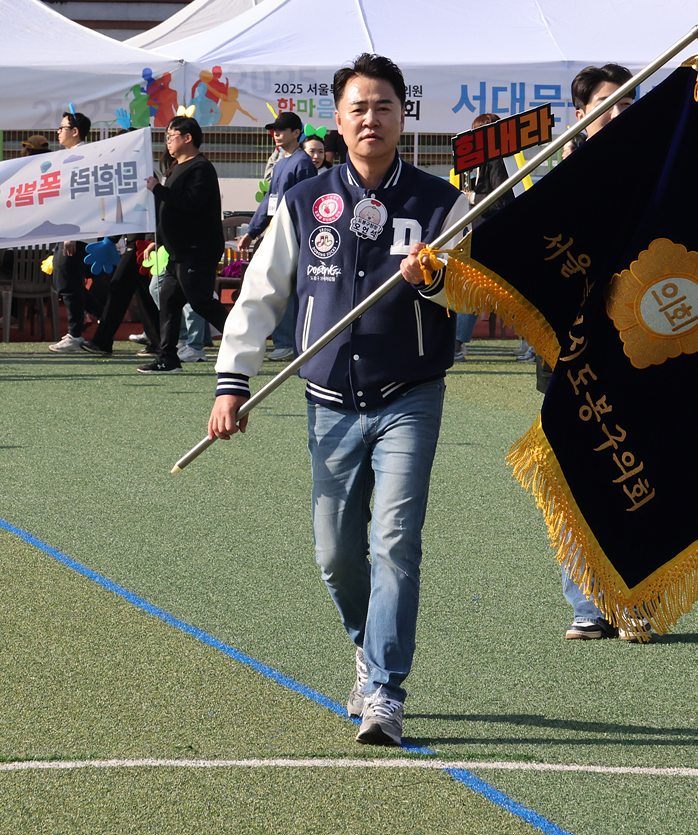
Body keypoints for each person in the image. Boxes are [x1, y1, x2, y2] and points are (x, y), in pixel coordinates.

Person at [208, 53, 467, 748]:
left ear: (403, 116)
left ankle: (384, 688)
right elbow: (262, 295)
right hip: (326, 400)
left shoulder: (442, 203)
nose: (371, 118)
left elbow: (474, 293)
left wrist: (436, 279)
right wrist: (233, 381)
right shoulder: (304, 199)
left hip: (410, 394)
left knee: (394, 541)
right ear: (340, 118)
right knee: (335, 554)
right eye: (358, 107)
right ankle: (365, 641)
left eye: (384, 106)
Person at [537, 65, 634, 640]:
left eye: (627, 102)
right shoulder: (554, 183)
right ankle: (587, 603)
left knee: (639, 475)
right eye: (606, 103)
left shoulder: (657, 179)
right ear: (582, 116)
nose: (618, 113)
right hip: (569, 356)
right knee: (574, 475)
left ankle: (637, 598)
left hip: (642, 350)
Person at [139, 116, 230, 374]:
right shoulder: (177, 167)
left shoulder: (200, 168)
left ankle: (243, 340)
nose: (167, 141)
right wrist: (157, 242)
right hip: (177, 252)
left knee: (201, 301)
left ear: (187, 138)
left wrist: (158, 189)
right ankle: (167, 357)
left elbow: (189, 202)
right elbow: (170, 211)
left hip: (197, 251)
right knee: (168, 301)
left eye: (171, 135)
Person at [244, 111, 314, 362]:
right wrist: (252, 231)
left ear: (296, 133)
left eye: (281, 130)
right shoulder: (283, 161)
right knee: (278, 284)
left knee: (287, 287)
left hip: (294, 235)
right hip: (278, 233)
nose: (276, 134)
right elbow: (271, 199)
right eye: (274, 130)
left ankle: (289, 344)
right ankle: (285, 342)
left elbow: (305, 204)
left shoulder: (302, 163)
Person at [453, 113, 517, 364]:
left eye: (478, 133)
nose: (472, 139)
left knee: (506, 291)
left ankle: (532, 343)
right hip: (476, 232)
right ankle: (458, 344)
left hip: (495, 233)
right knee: (477, 289)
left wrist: (471, 199)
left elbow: (502, 199)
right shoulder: (473, 162)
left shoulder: (498, 160)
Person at [49, 111, 100, 352]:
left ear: (75, 131)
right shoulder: (68, 156)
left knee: (67, 282)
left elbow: (79, 197)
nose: (58, 132)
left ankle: (75, 334)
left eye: (62, 127)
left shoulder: (82, 157)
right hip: (68, 230)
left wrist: (72, 234)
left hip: (77, 231)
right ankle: (97, 315)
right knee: (65, 281)